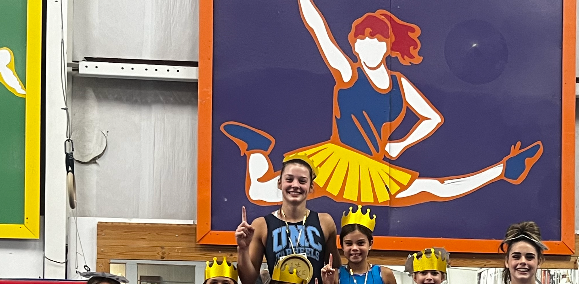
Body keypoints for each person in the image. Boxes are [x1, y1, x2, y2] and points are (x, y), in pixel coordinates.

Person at [219, 0, 542, 207]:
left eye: (375, 40)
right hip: (335, 160)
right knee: (260, 193)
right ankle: (256, 148)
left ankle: (504, 168)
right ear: (355, 46)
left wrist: (401, 144)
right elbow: (320, 31)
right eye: (362, 40)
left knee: (436, 190)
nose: (367, 46)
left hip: (373, 168)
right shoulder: (348, 73)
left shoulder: (400, 85)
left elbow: (432, 119)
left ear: (387, 47)